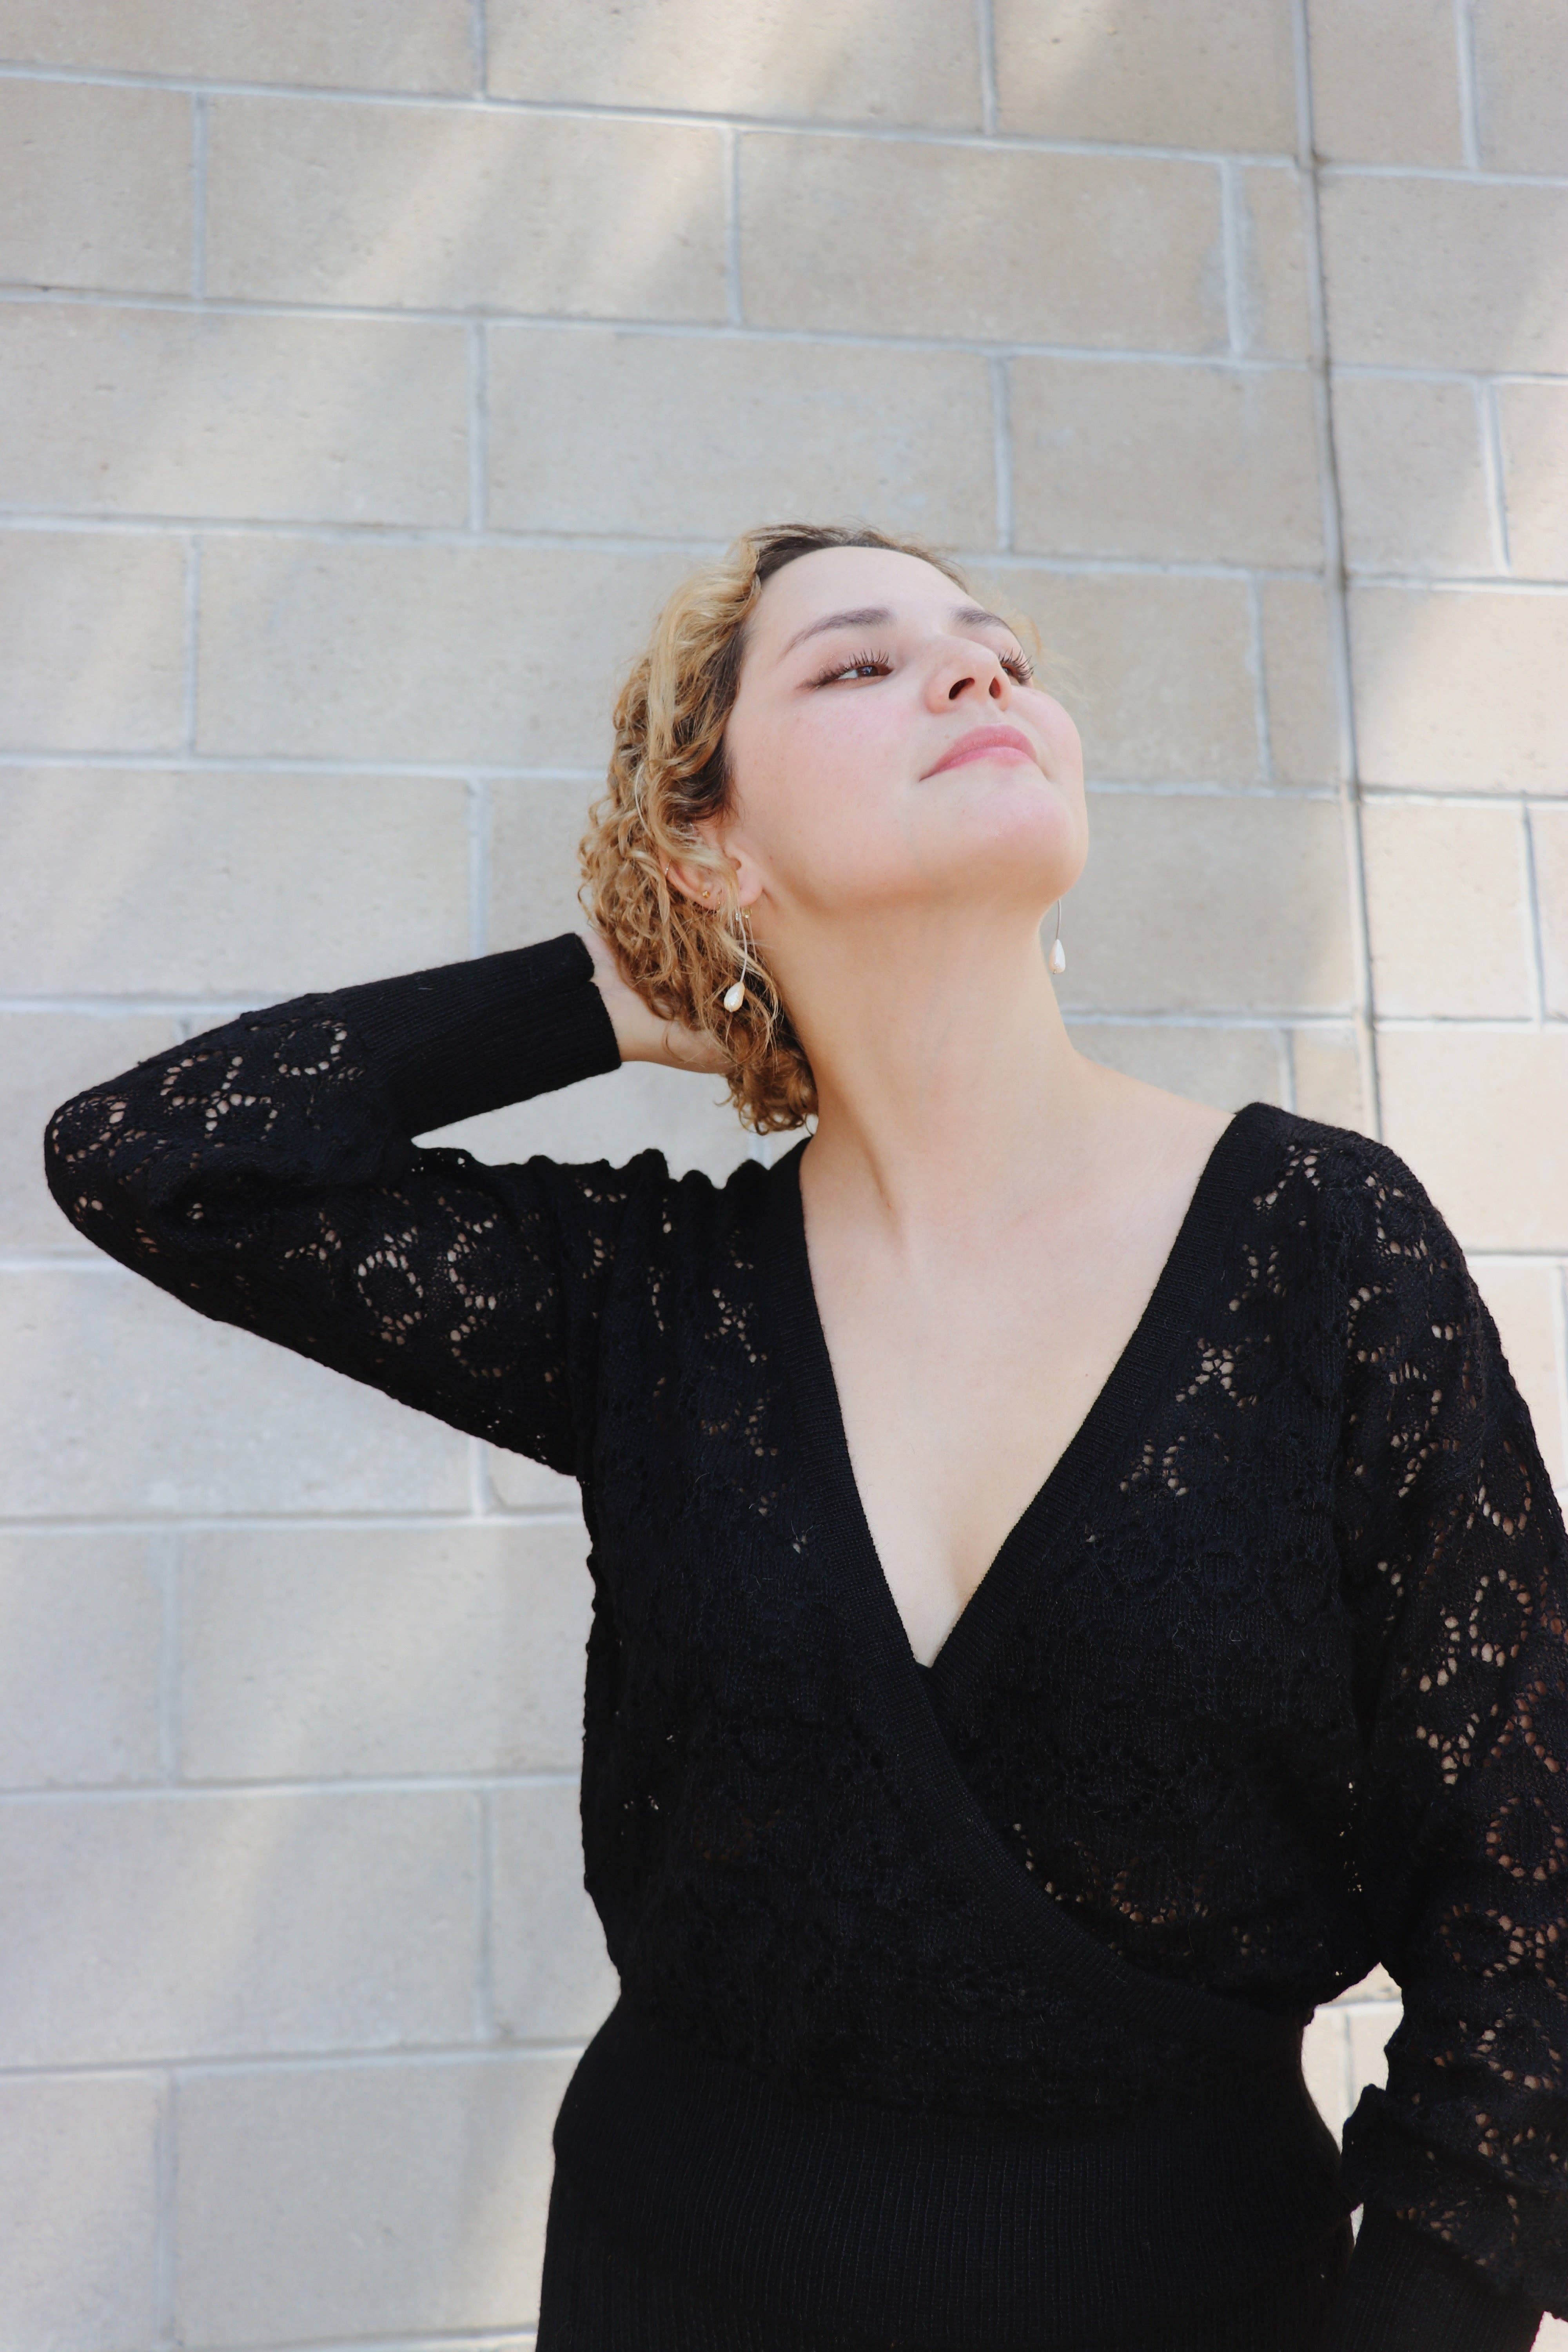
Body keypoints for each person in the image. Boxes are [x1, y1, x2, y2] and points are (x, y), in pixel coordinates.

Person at [45, 524, 1567, 2350]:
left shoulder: (1323, 1249)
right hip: (664, 2292)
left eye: (997, 652)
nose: (976, 671)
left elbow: (1528, 1908)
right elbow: (152, 1158)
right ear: (716, 844)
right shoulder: (652, 1302)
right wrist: (602, 990)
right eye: (857, 663)